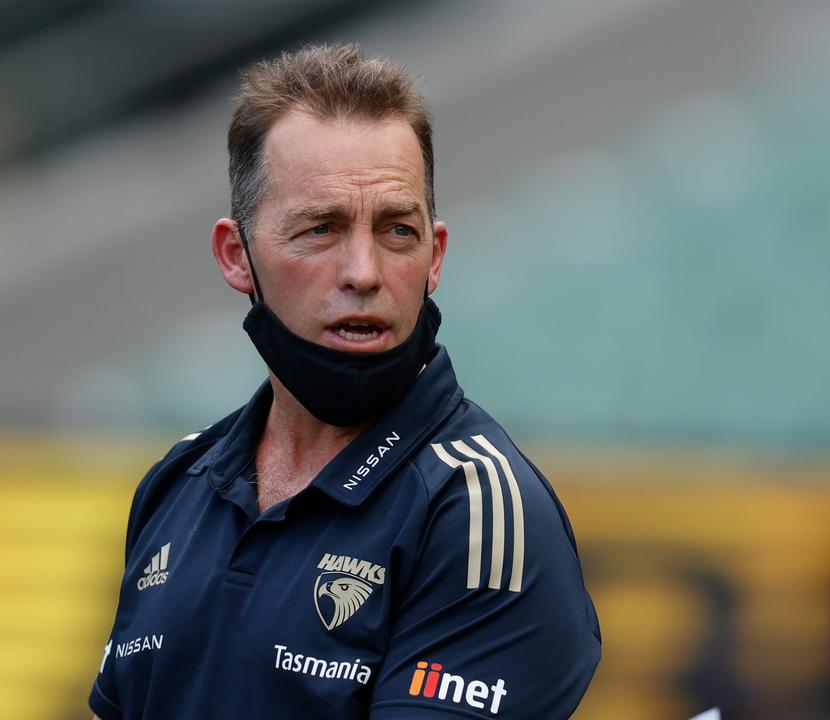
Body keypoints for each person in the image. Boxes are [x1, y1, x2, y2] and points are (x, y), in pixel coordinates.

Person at [88, 44, 600, 720]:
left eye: (396, 230)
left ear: (435, 256)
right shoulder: (174, 485)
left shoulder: (480, 511)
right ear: (236, 256)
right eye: (322, 229)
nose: (363, 271)